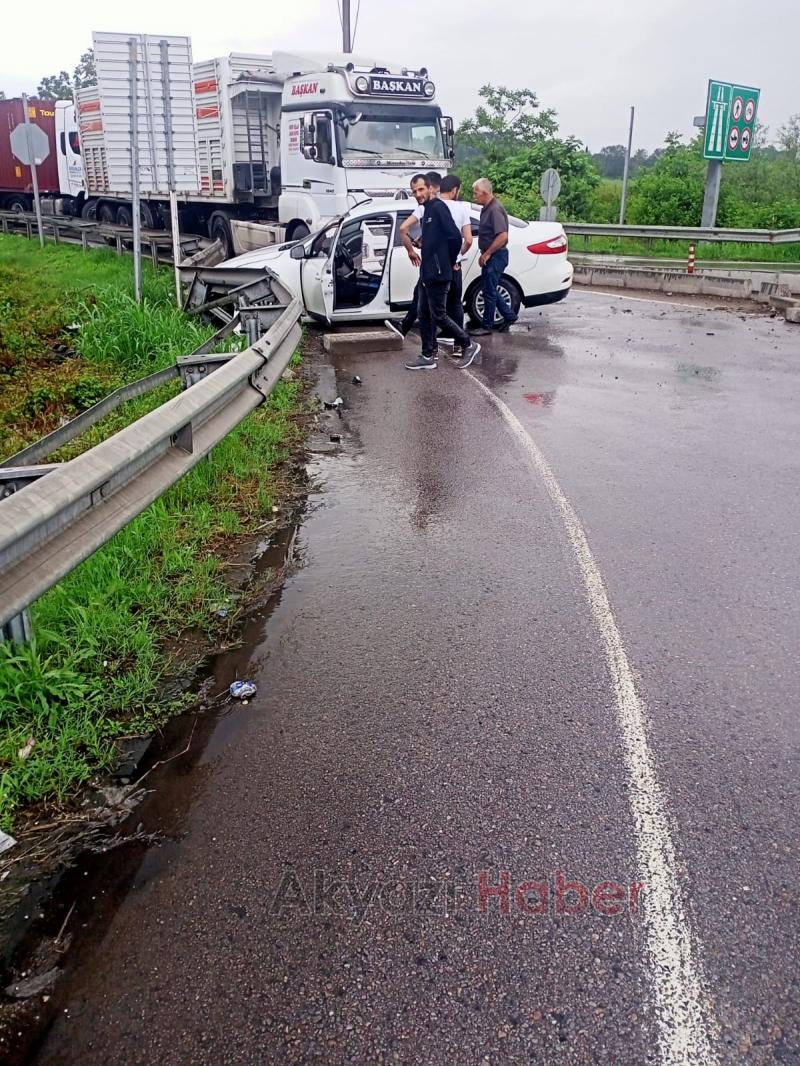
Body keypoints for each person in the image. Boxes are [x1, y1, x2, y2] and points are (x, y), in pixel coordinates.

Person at [400, 174, 480, 371]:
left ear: (430, 188)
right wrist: (423, 245)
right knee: (424, 313)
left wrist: (449, 260)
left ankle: (469, 344)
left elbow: (454, 236)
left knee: (439, 315)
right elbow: (437, 239)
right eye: (414, 192)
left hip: (438, 272)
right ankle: (428, 355)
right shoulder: (427, 210)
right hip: (428, 271)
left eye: (420, 190)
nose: (418, 194)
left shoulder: (437, 208)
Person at [472, 177, 517, 335]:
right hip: (492, 255)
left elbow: (502, 236)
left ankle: (487, 326)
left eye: (476, 193)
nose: (474, 196)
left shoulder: (494, 209)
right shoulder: (486, 207)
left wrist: (488, 253)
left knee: (490, 291)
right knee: (489, 289)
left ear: (484, 193)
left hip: (497, 255)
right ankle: (509, 316)